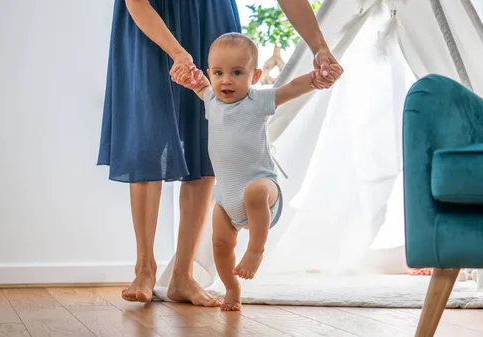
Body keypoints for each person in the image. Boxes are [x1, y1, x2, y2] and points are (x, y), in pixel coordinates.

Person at [97, 0, 343, 306]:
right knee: (148, 137)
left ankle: (183, 276)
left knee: (205, 141)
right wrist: (176, 52)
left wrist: (319, 47)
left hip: (211, 16)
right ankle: (144, 267)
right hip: (148, 18)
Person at [181, 32, 342, 311]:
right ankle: (232, 288)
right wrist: (189, 78)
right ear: (210, 73)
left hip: (263, 188)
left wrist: (315, 79)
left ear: (254, 77)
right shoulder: (211, 100)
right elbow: (198, 86)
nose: (226, 80)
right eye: (218, 73)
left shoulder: (257, 101)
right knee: (219, 243)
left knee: (255, 192)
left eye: (237, 72)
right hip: (227, 197)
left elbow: (290, 89)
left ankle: (256, 250)